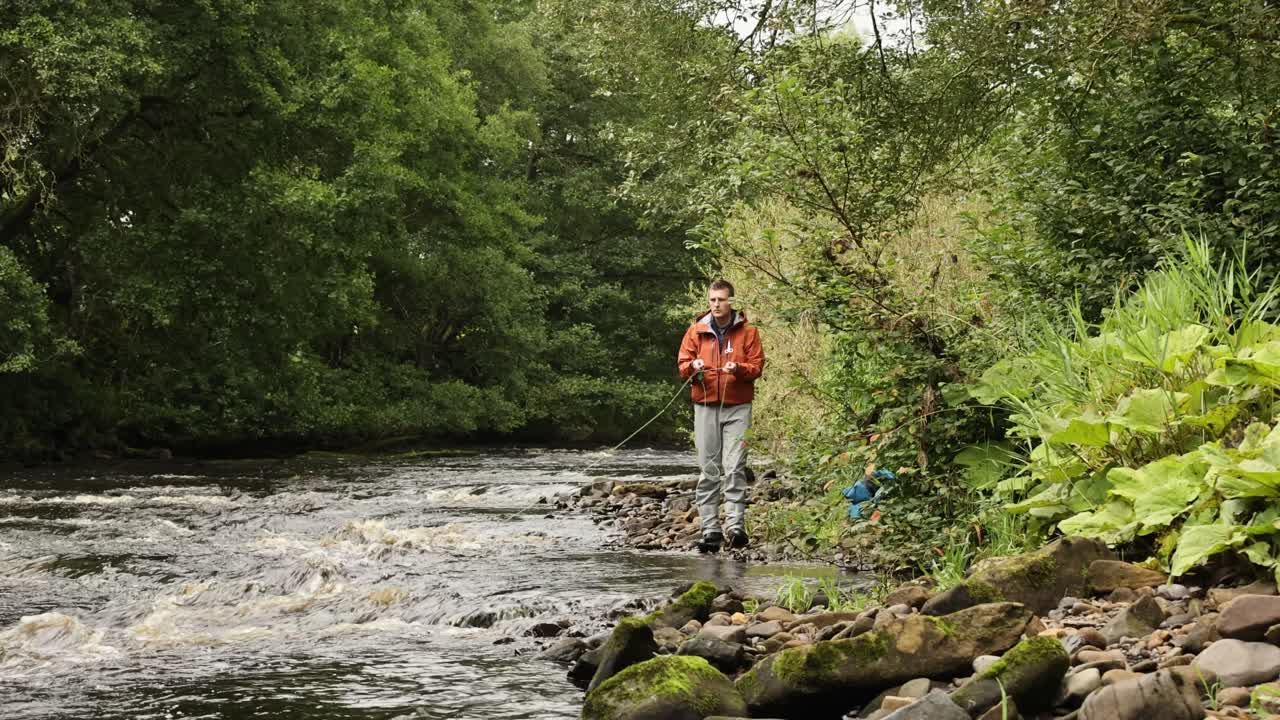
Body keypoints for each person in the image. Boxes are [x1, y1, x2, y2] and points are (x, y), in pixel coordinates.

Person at [677, 279, 765, 552]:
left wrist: (738, 368)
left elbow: (757, 366)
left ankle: (736, 526)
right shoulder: (696, 331)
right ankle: (711, 529)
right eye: (712, 300)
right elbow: (682, 366)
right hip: (705, 406)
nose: (716, 304)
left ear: (731, 301)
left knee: (735, 466)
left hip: (738, 406)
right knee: (709, 470)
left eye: (721, 300)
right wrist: (694, 365)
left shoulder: (748, 332)